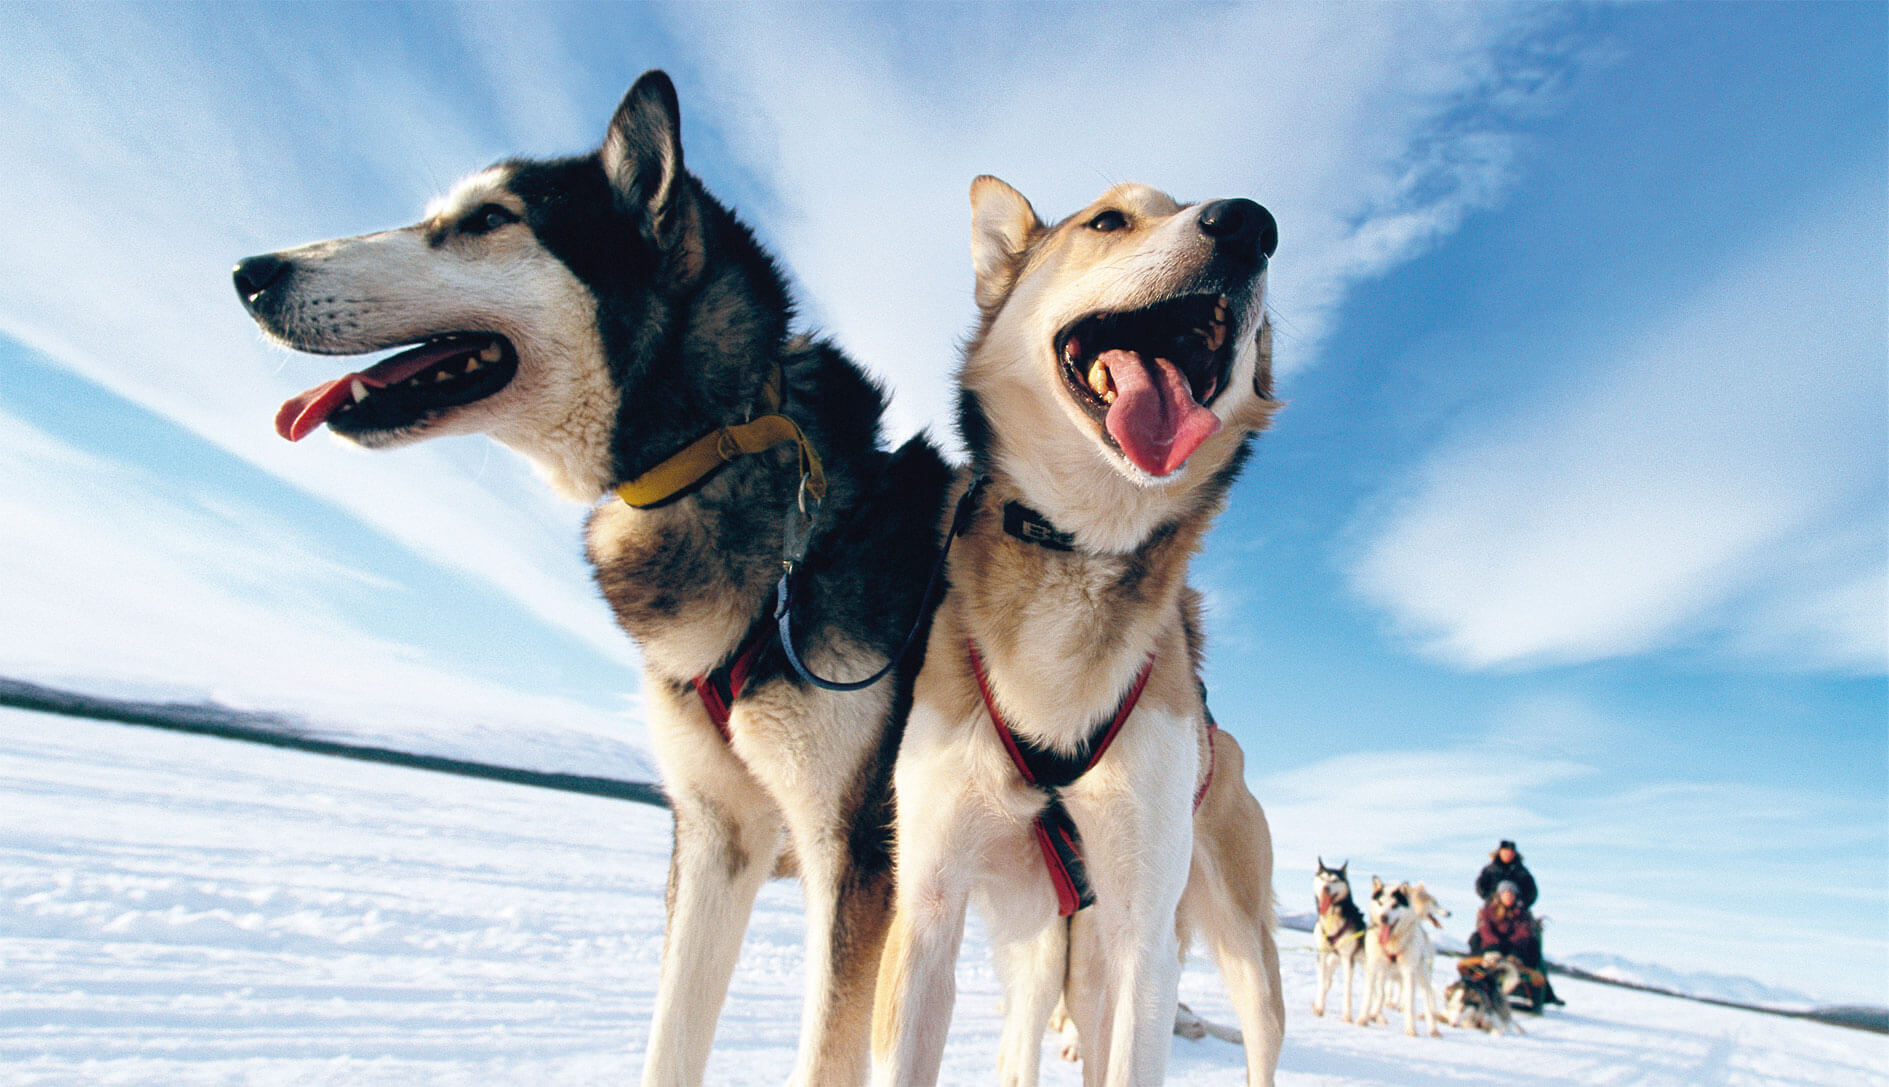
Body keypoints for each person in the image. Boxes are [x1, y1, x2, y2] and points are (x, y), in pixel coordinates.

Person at [1475, 839, 1537, 908]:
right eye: (1505, 852)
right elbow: (1480, 886)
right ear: (1499, 852)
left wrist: (1523, 903)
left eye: (1511, 852)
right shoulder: (1490, 870)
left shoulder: (1522, 871)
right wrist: (1491, 899)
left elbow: (1532, 891)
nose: (1508, 854)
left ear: (1515, 854)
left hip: (1517, 909)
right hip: (1493, 908)